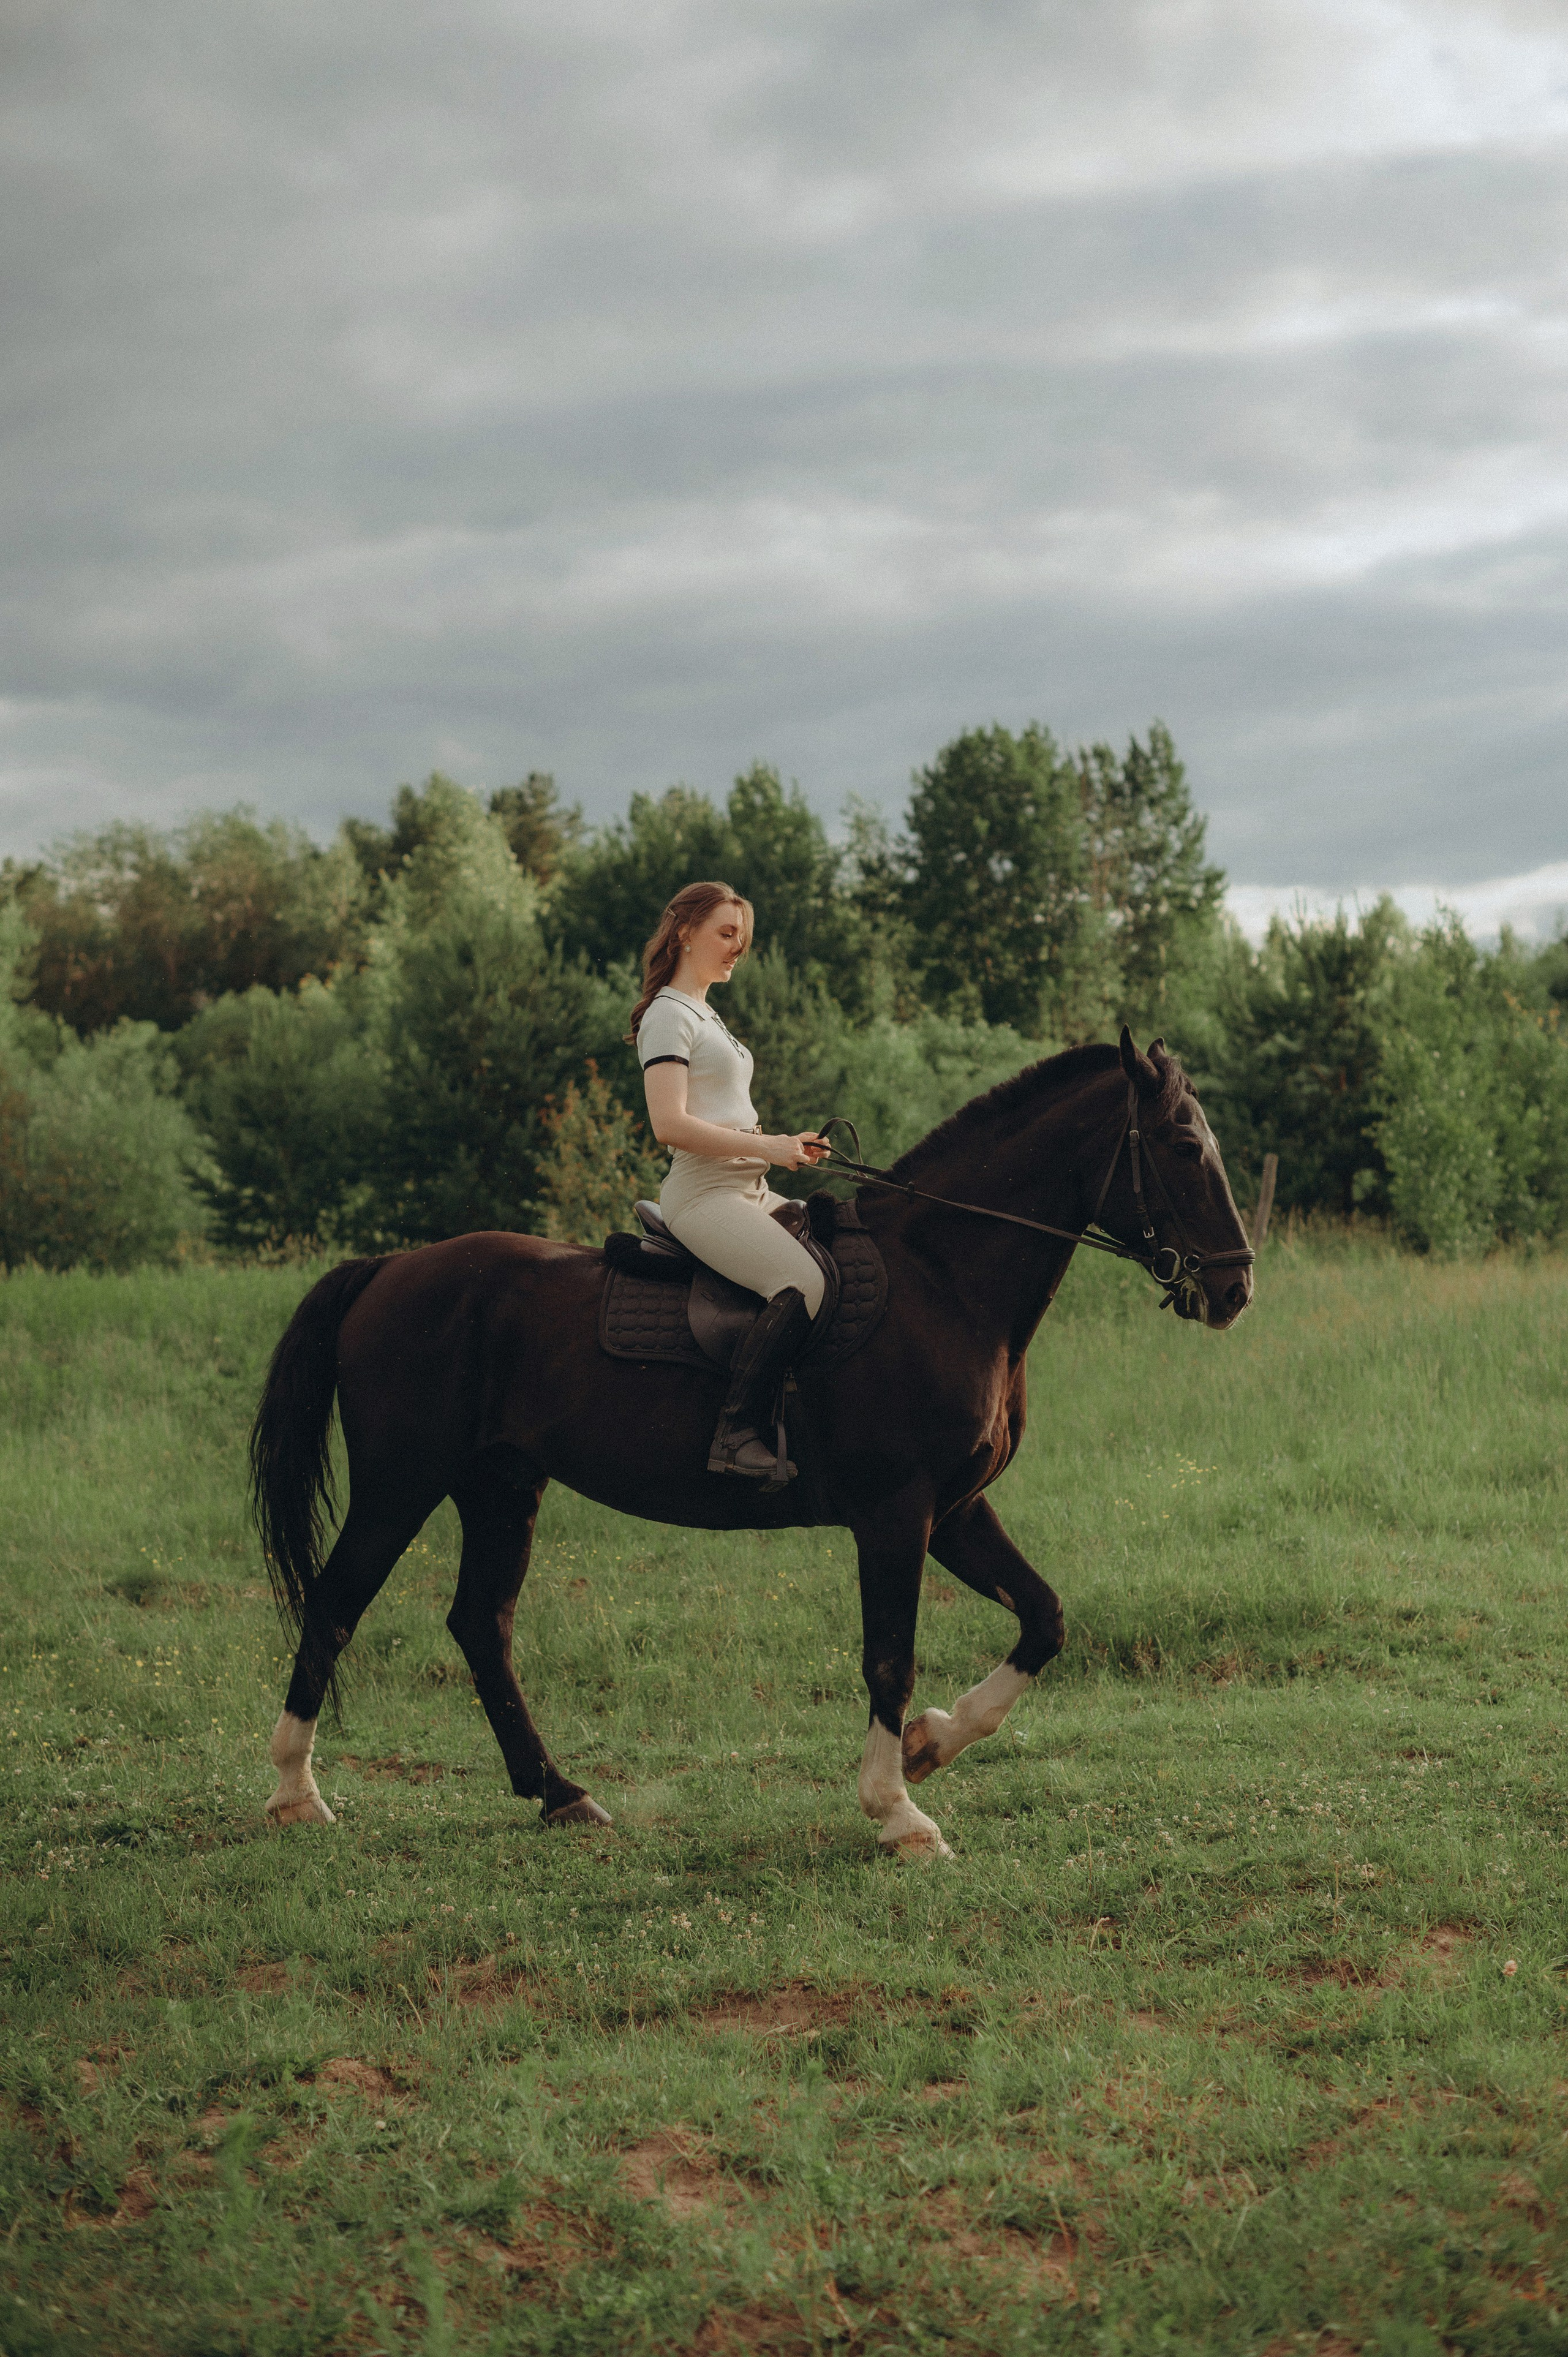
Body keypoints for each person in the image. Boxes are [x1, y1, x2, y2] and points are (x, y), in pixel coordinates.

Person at [631, 880, 828, 1480]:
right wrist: (767, 1144)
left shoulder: (705, 1011)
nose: (736, 948)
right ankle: (735, 1434)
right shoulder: (667, 1014)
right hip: (704, 1194)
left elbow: (723, 1111)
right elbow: (669, 1124)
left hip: (750, 1188)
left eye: (741, 938)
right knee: (804, 1283)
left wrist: (783, 1144)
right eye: (725, 933)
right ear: (685, 931)